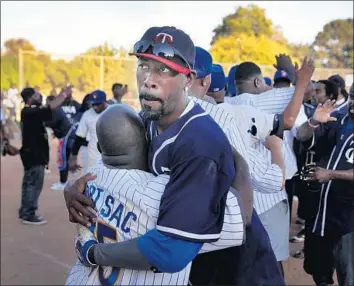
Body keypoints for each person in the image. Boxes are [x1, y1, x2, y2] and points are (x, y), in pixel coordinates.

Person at [66, 104, 245, 285]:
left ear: (99, 147)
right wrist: (236, 157)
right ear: (147, 140)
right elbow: (243, 216)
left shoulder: (90, 178)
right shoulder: (167, 192)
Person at [224, 54, 314, 274]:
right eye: (264, 83)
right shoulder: (258, 100)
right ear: (256, 82)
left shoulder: (225, 105)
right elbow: (307, 91)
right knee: (273, 260)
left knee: (246, 260)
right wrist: (291, 71)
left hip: (240, 195)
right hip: (269, 194)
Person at [296, 86, 354, 286]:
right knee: (319, 271)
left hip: (347, 218)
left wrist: (330, 174)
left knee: (348, 275)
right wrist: (313, 121)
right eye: (353, 97)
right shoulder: (337, 119)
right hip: (320, 212)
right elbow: (301, 136)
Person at [19, 87, 68, 224]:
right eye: (36, 94)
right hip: (33, 155)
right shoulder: (29, 111)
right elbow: (51, 107)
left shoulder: (33, 111)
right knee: (33, 184)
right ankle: (29, 214)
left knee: (29, 183)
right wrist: (63, 94)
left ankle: (25, 211)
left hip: (34, 154)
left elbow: (48, 112)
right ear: (30, 97)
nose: (39, 95)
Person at [69, 90, 108, 174]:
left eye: (98, 104)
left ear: (105, 102)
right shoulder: (87, 115)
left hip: (111, 156)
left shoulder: (113, 112)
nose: (95, 107)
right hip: (93, 156)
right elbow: (80, 136)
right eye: (93, 104)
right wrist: (73, 157)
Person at [44, 95, 72, 191]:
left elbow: (50, 123)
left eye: (48, 102)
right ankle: (62, 181)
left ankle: (63, 183)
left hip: (64, 137)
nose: (47, 105)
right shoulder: (56, 110)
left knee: (62, 160)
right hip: (63, 137)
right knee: (62, 159)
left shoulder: (56, 111)